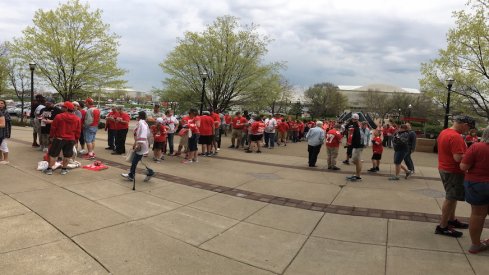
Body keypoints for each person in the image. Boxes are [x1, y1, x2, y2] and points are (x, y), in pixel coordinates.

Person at [435, 115, 476, 238]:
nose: (468, 131)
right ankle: (442, 227)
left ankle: (451, 220)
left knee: (453, 197)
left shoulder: (445, 132)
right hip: (453, 171)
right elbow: (458, 158)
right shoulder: (456, 137)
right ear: (465, 124)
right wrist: (472, 156)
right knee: (451, 198)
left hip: (445, 168)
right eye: (469, 128)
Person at [460, 127, 489, 253]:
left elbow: (463, 166)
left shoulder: (477, 147)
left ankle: (476, 245)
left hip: (476, 184)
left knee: (477, 214)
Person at [42, 101, 81, 175]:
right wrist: (76, 139)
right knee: (67, 155)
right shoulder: (77, 119)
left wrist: (51, 136)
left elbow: (53, 128)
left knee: (53, 154)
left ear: (66, 108)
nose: (61, 108)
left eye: (63, 107)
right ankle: (64, 169)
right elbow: (78, 130)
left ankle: (49, 169)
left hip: (59, 138)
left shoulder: (59, 116)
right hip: (70, 139)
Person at [122, 111, 150, 181]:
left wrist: (139, 144)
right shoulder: (142, 122)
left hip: (141, 144)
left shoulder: (142, 123)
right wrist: (136, 142)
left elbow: (143, 133)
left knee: (135, 161)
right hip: (140, 143)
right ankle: (132, 174)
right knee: (137, 160)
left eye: (137, 115)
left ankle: (131, 175)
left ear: (139, 116)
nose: (136, 116)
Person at [346, 114, 363, 181]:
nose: (353, 120)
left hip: (357, 146)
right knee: (356, 160)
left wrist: (350, 144)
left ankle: (358, 176)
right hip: (357, 145)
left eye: (355, 119)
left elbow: (353, 136)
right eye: (353, 119)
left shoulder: (356, 126)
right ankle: (357, 175)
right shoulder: (356, 125)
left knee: (357, 161)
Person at [0, 99, 12, 164]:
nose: (0, 104)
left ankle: (6, 159)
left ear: (4, 105)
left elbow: (8, 122)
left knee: (3, 145)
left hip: (3, 131)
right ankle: (1, 158)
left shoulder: (5, 112)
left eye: (2, 103)